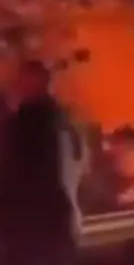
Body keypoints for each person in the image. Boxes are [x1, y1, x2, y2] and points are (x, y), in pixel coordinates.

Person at [0, 59, 87, 265]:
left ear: (30, 84)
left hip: (30, 233)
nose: (14, 87)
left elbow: (11, 176)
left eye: (18, 81)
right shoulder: (68, 126)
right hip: (62, 228)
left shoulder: (24, 125)